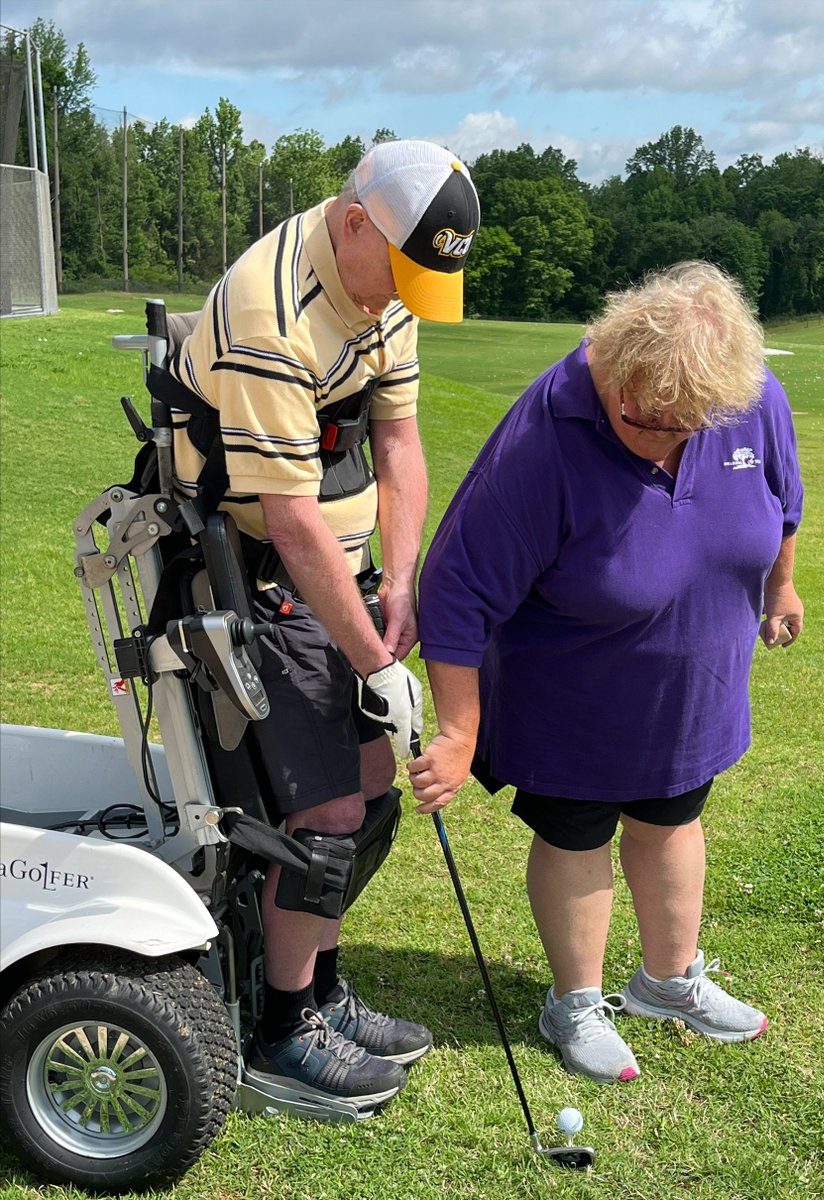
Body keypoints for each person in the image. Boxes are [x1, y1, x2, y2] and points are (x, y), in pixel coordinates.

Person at [410, 261, 803, 1086]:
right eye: (652, 421)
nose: (672, 438)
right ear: (615, 369)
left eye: (693, 425)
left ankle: (668, 981)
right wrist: (457, 731)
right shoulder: (543, 436)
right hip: (571, 699)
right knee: (578, 833)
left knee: (673, 819)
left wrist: (781, 583)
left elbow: (783, 499)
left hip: (694, 694)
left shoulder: (751, 397)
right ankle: (575, 1002)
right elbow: (455, 587)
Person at [167, 139, 480, 1110]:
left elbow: (398, 440)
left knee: (376, 772)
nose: (405, 301)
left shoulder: (387, 290)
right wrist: (370, 662)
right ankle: (280, 1029)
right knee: (333, 807)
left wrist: (401, 579)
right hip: (257, 578)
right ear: (356, 220)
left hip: (340, 575)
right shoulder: (271, 310)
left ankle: (324, 990)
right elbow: (293, 523)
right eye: (402, 273)